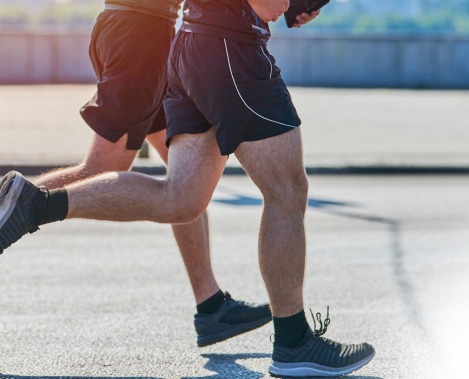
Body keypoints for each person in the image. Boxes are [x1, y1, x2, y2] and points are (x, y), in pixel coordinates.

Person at [0, 0, 376, 376]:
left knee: (181, 199)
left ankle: (35, 206)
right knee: (287, 191)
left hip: (192, 41)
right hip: (220, 47)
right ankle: (294, 342)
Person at [0, 0, 273, 348]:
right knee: (102, 169)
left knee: (186, 174)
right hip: (141, 37)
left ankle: (210, 304)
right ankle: (11, 204)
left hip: (133, 27)